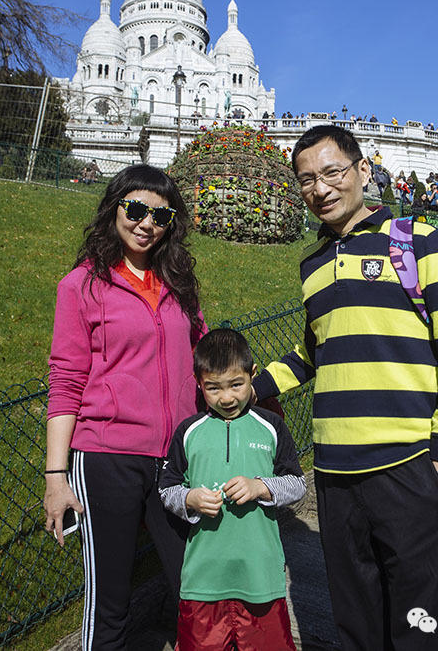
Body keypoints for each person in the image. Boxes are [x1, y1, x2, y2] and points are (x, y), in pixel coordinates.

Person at [252, 125, 438, 651]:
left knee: (429, 627)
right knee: (357, 625)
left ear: (362, 171)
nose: (320, 188)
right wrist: (251, 387)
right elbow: (313, 353)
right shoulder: (311, 265)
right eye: (306, 179)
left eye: (332, 172)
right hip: (334, 474)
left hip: (409, 464)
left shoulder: (422, 239)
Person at [44, 164, 206, 650]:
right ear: (114, 209)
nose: (146, 224)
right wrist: (55, 477)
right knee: (109, 601)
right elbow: (66, 380)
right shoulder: (82, 285)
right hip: (106, 457)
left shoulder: (179, 283)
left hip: (175, 460)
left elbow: (202, 365)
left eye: (161, 216)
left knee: (195, 586)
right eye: (135, 210)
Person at [159, 328, 306, 651]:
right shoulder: (189, 431)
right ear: (199, 383)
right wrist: (190, 498)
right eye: (213, 388)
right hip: (203, 583)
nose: (226, 397)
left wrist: (260, 487)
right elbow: (166, 489)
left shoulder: (271, 426)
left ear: (253, 375)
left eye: (236, 385)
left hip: (260, 579)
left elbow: (297, 484)